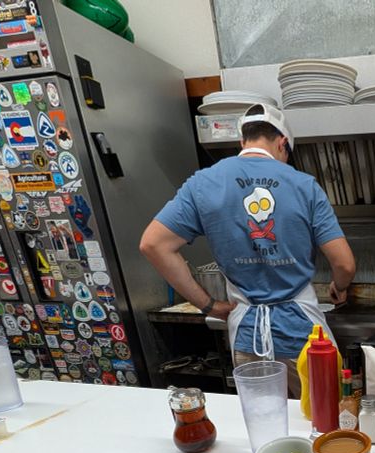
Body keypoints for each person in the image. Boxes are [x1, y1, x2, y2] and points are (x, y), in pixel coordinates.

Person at [140, 104, 356, 397]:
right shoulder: (304, 185)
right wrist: (339, 288)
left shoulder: (203, 183)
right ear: (282, 143)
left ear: (243, 141)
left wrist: (209, 306)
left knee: (265, 425)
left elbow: (153, 244)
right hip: (303, 336)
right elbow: (344, 264)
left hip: (247, 337)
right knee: (324, 420)